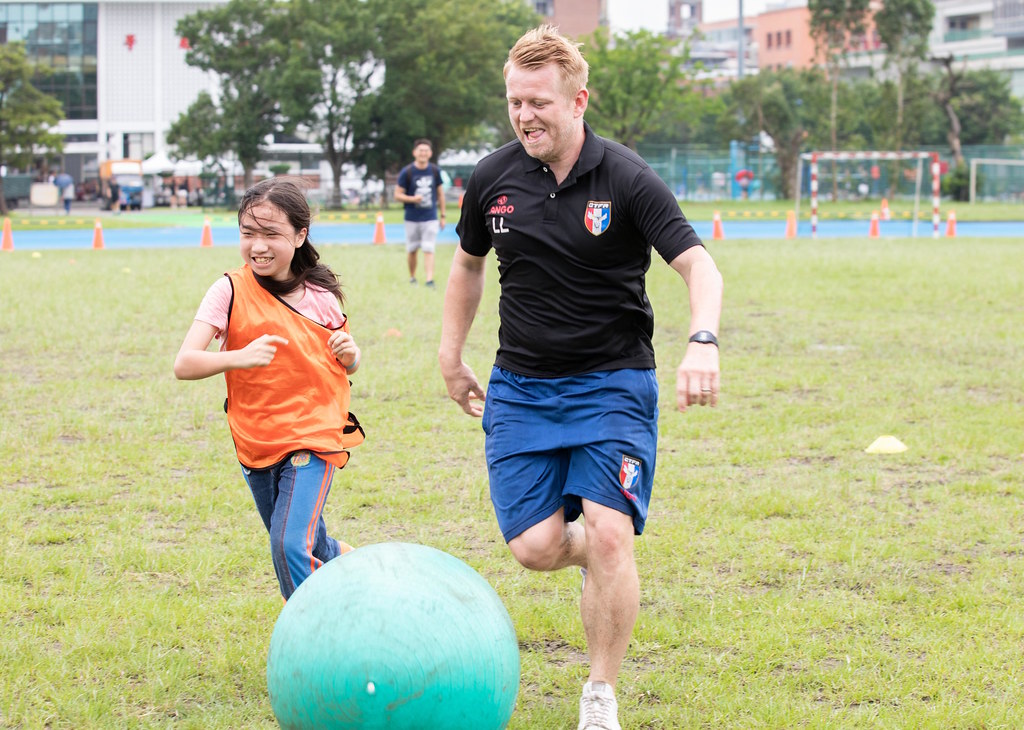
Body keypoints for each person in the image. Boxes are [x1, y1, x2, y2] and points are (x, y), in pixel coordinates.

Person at [438, 25, 723, 730]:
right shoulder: (492, 177)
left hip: (612, 384)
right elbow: (468, 265)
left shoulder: (626, 177)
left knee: (610, 535)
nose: (524, 116)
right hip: (521, 387)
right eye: (515, 102)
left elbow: (698, 264)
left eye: (538, 102)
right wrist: (450, 354)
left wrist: (702, 341)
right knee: (534, 549)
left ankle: (599, 694)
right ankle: (597, 544)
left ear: (577, 101)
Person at [174, 178, 365, 600]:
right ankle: (355, 565)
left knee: (288, 545)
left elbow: (344, 365)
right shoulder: (228, 290)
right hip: (255, 438)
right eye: (248, 233)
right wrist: (237, 357)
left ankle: (314, 630)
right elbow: (184, 364)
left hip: (313, 433)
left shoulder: (321, 297)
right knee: (311, 545)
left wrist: (352, 355)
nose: (257, 246)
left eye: (271, 234)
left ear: (299, 235)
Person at [394, 138, 446, 288]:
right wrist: (412, 199)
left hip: (430, 217)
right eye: (420, 150)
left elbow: (440, 194)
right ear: (414, 152)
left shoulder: (435, 171)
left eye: (426, 150)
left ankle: (429, 279)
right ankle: (412, 277)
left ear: (430, 153)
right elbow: (397, 195)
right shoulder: (407, 172)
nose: (423, 153)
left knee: (429, 248)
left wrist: (443, 215)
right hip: (411, 218)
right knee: (412, 249)